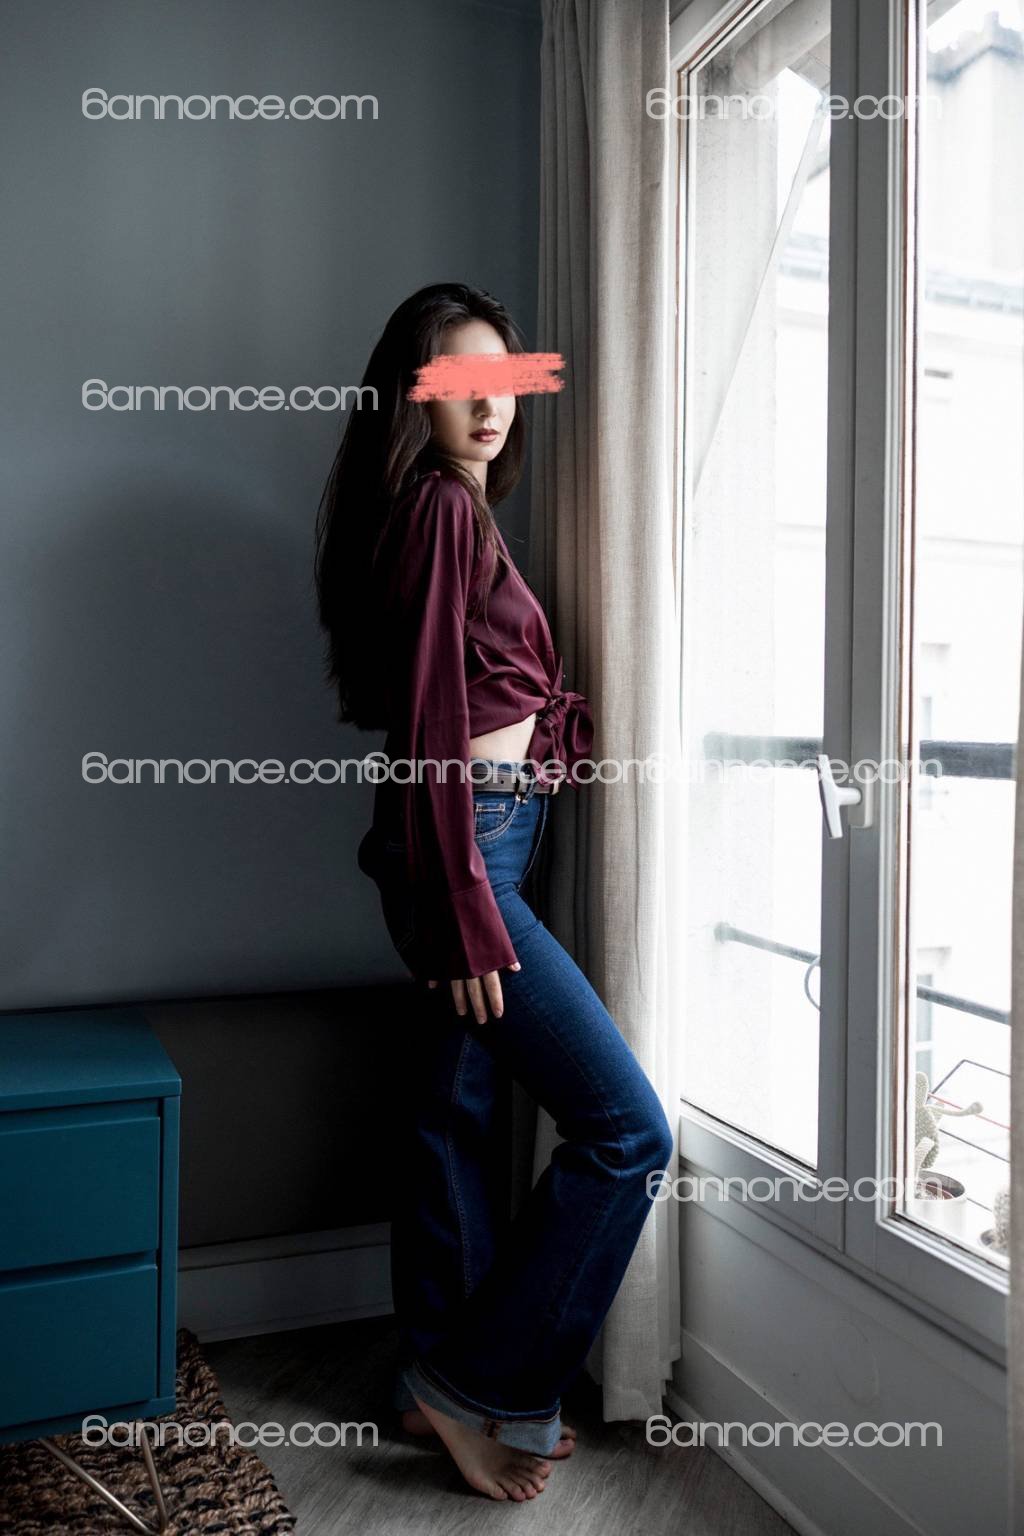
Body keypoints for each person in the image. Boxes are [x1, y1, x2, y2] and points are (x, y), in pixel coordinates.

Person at [314, 283, 673, 1503]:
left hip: (471, 841)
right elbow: (429, 725)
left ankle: (437, 1382)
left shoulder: (453, 512)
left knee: (450, 1112)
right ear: (412, 400)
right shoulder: (438, 511)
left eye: (504, 381)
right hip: (461, 848)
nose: (489, 405)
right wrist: (465, 902)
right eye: (456, 383)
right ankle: (483, 1384)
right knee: (627, 1133)